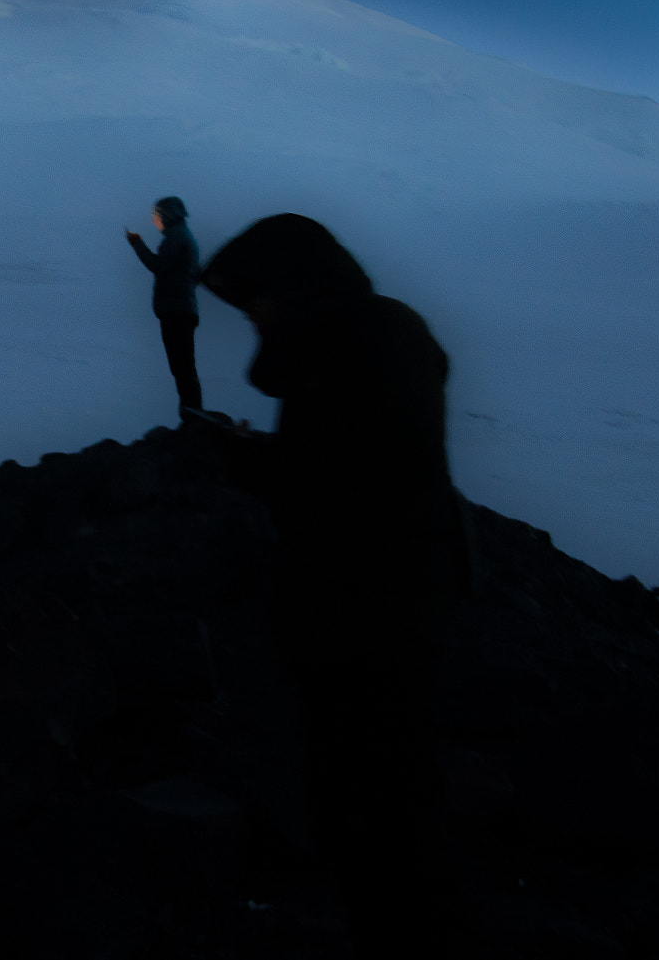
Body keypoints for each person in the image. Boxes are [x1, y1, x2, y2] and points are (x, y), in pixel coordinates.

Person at [199, 213, 478, 956]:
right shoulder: (367, 340)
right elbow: (341, 462)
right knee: (380, 809)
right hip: (381, 612)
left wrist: (249, 460)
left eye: (258, 297)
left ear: (296, 288)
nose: (253, 315)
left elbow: (345, 484)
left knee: (384, 817)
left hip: (372, 621)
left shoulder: (362, 346)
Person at [123, 196, 204, 416]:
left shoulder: (176, 237)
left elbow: (159, 265)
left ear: (168, 216)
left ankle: (192, 414)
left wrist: (137, 244)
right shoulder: (183, 236)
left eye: (156, 216)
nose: (153, 221)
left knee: (182, 367)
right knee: (183, 366)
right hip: (182, 309)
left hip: (176, 311)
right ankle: (192, 413)